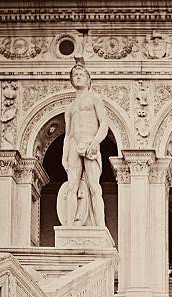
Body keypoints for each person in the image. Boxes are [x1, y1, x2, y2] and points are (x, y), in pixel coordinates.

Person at [61, 57, 107, 227]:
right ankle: (70, 226)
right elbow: (67, 134)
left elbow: (104, 124)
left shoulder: (95, 98)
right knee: (71, 187)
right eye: (75, 74)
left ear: (89, 80)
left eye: (81, 74)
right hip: (74, 144)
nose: (78, 76)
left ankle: (100, 225)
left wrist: (95, 143)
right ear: (72, 80)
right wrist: (64, 156)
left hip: (90, 141)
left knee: (94, 187)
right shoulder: (70, 107)